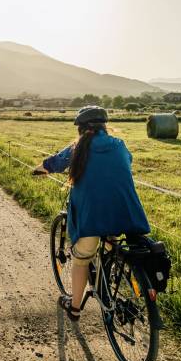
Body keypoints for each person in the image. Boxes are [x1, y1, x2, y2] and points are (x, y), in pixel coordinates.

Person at [33, 105, 150, 321]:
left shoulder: (78, 148)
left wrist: (38, 169)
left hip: (91, 218)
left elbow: (54, 163)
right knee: (110, 241)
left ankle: (75, 307)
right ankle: (113, 273)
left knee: (81, 260)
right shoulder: (119, 144)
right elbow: (128, 161)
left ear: (81, 129)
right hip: (126, 213)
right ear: (104, 126)